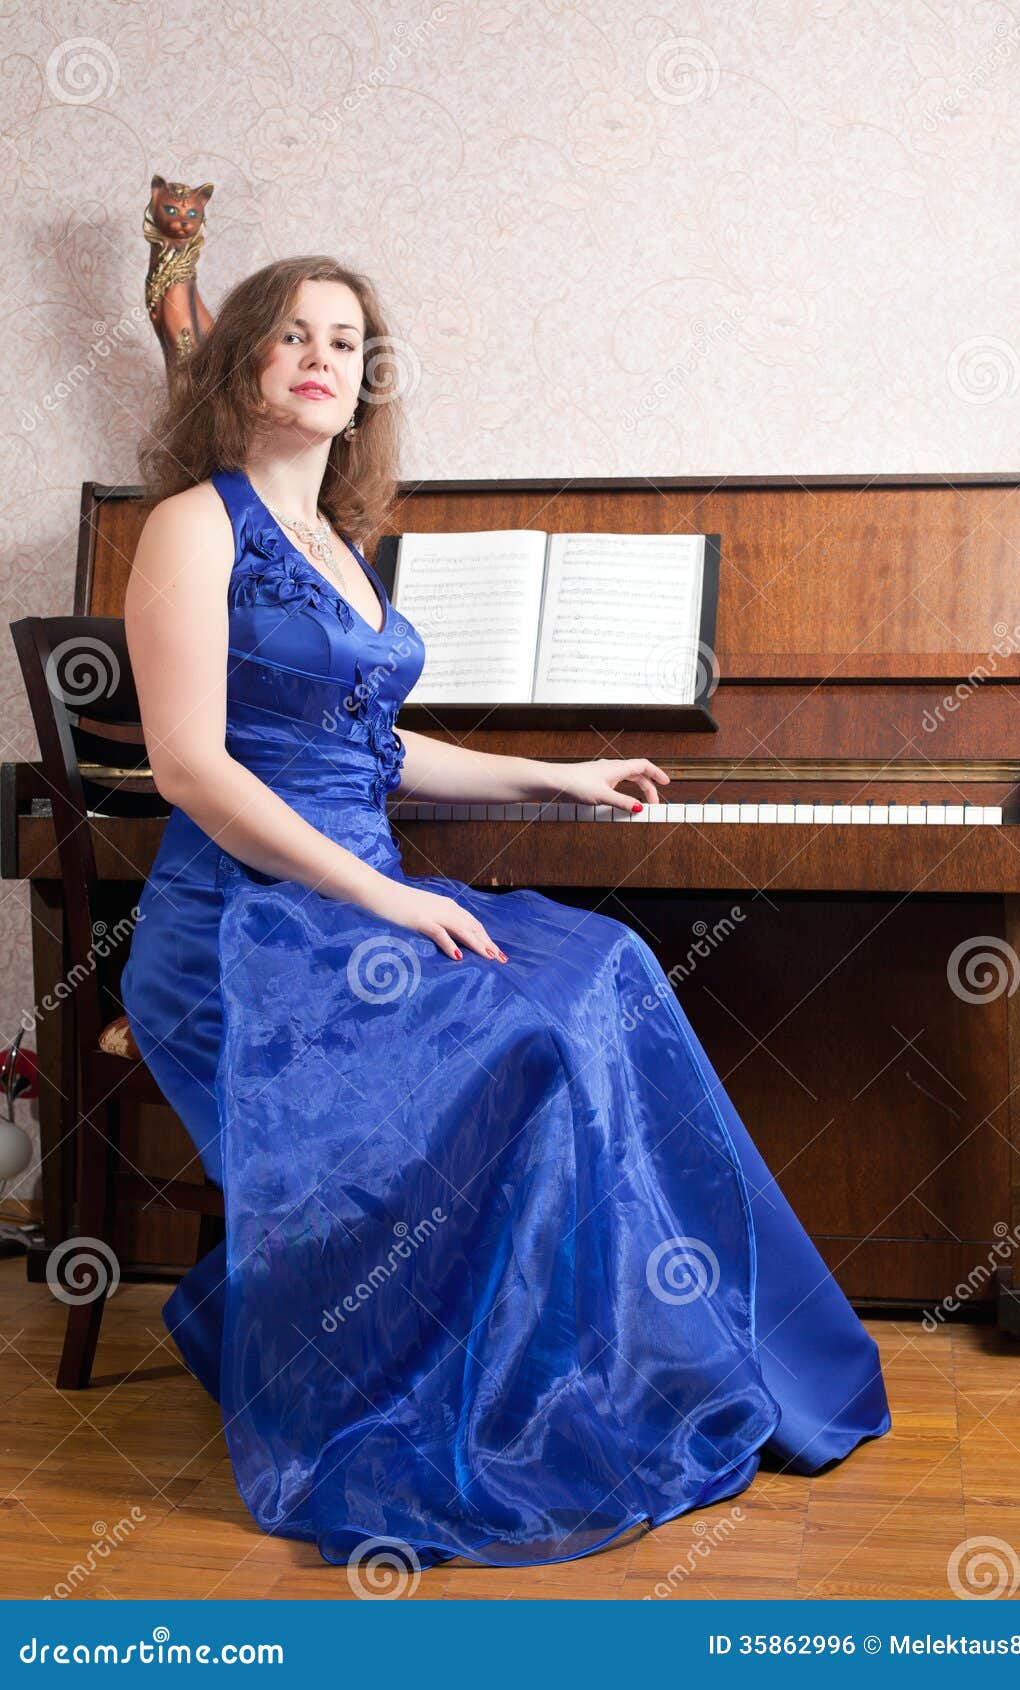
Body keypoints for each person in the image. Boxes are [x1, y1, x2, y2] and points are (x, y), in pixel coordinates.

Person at [121, 254, 891, 1572]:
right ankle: (464, 1375)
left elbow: (375, 747)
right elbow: (194, 766)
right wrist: (387, 898)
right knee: (526, 1046)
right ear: (243, 357)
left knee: (610, 969)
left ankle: (644, 1352)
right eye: (293, 333)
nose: (322, 355)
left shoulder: (339, 545)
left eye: (348, 340)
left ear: (369, 380)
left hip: (362, 894)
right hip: (247, 927)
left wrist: (559, 772)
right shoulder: (194, 523)